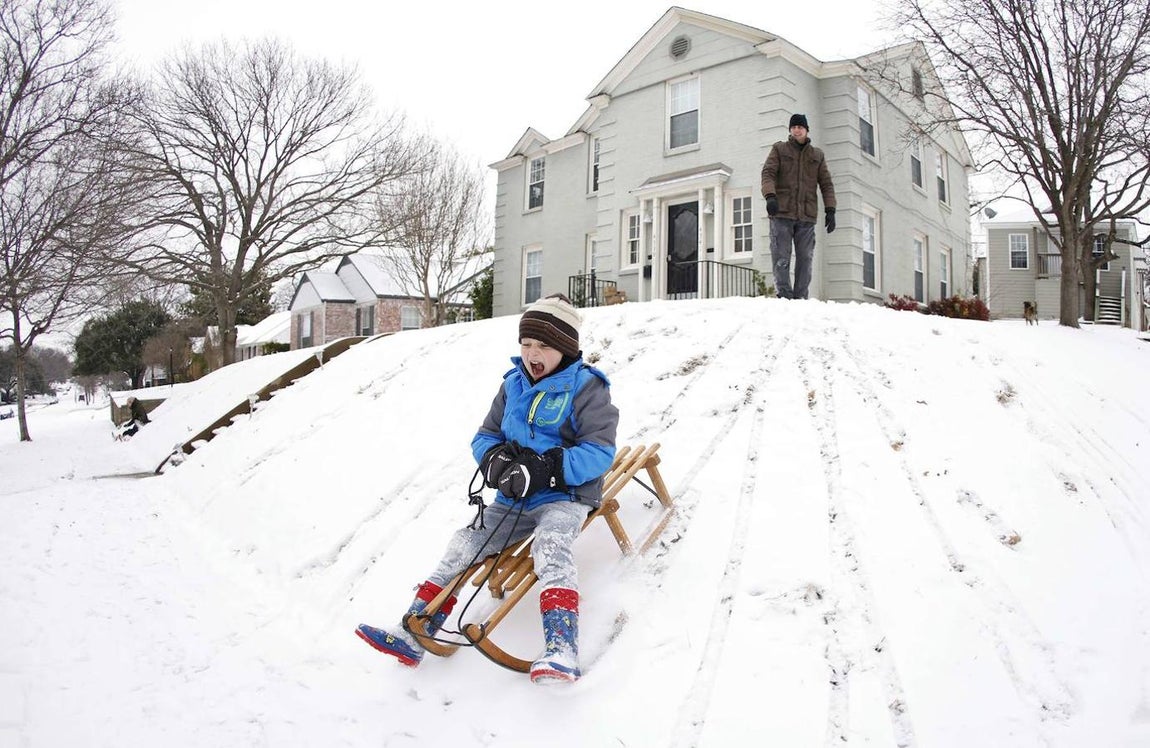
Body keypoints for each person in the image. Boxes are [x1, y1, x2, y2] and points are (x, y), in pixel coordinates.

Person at [356, 293, 619, 685]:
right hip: (513, 499)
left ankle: (561, 648)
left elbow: (599, 452)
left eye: (543, 345)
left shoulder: (586, 387)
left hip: (564, 496)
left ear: (565, 348)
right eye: (526, 343)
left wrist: (548, 468)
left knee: (550, 546)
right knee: (464, 544)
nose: (532, 353)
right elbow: (485, 436)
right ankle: (414, 631)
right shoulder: (513, 385)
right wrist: (495, 460)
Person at [760, 113, 836, 300]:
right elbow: (768, 173)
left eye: (800, 127)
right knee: (781, 257)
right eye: (793, 127)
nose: (796, 130)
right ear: (790, 130)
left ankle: (801, 298)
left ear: (806, 130)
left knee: (805, 259)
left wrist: (830, 209)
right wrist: (770, 196)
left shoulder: (817, 155)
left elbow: (826, 184)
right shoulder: (779, 149)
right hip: (781, 213)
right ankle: (784, 296)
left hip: (806, 216)